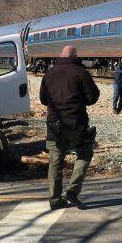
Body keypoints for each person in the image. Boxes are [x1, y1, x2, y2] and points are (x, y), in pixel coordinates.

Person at [39, 46, 100, 210]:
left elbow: (43, 99)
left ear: (60, 56)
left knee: (56, 160)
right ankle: (72, 192)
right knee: (85, 153)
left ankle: (54, 198)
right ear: (76, 56)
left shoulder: (49, 74)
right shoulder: (81, 73)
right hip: (76, 123)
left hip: (54, 124)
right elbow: (93, 96)